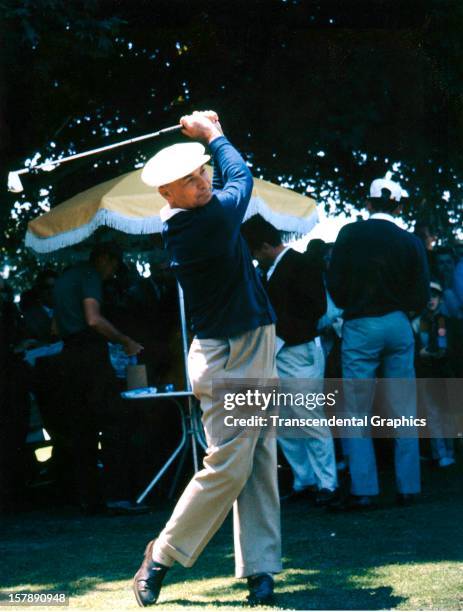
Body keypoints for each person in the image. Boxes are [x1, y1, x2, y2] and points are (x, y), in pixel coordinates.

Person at [133, 111, 280, 607]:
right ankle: (162, 555)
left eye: (201, 173)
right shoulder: (210, 219)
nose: (201, 183)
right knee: (231, 463)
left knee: (256, 458)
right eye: (187, 181)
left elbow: (227, 175)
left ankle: (261, 570)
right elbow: (242, 174)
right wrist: (214, 133)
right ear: (166, 194)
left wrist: (205, 142)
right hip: (231, 350)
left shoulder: (191, 214)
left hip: (244, 341)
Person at [328, 177, 430, 510]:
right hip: (399, 323)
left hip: (360, 323)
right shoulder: (411, 241)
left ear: (368, 204)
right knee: (402, 407)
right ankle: (408, 487)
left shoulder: (349, 235)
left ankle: (364, 489)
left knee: (356, 410)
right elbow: (422, 292)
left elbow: (335, 283)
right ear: (399, 206)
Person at [241, 214, 338, 506]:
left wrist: (277, 334)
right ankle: (304, 478)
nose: (255, 259)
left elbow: (315, 309)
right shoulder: (269, 271)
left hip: (297, 351)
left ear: (266, 246)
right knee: (283, 421)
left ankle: (327, 483)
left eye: (255, 253)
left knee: (309, 418)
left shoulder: (301, 264)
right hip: (279, 351)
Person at [53, 243, 143, 513]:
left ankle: (88, 498)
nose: (113, 272)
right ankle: (117, 494)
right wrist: (125, 340)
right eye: (114, 264)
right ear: (104, 259)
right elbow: (93, 319)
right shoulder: (90, 276)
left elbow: (55, 328)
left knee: (81, 429)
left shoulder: (65, 276)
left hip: (68, 354)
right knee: (114, 421)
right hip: (89, 354)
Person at [412, 281, 455, 467]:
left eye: (434, 296)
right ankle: (440, 452)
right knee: (433, 413)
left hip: (443, 372)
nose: (431, 300)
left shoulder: (446, 321)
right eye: (428, 296)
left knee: (446, 412)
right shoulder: (417, 323)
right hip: (427, 373)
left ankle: (449, 450)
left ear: (440, 299)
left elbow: (450, 347)